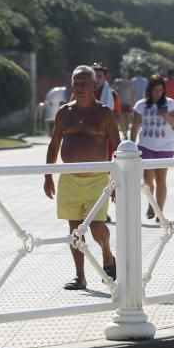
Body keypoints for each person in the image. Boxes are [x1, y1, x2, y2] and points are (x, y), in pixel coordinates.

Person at [44, 65, 120, 291]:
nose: (78, 87)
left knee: (97, 227)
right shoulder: (64, 112)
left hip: (97, 178)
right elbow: (54, 144)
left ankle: (107, 253)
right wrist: (48, 175)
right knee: (75, 230)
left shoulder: (104, 113)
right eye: (75, 83)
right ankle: (80, 276)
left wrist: (116, 179)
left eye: (83, 83)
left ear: (94, 85)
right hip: (69, 178)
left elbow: (117, 146)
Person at [131, 75, 174, 220]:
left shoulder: (170, 104)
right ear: (149, 90)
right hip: (146, 146)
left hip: (165, 147)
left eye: (160, 90)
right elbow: (135, 127)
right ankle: (151, 204)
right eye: (155, 90)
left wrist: (166, 115)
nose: (158, 93)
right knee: (147, 179)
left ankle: (159, 211)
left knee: (161, 179)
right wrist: (130, 147)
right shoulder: (141, 105)